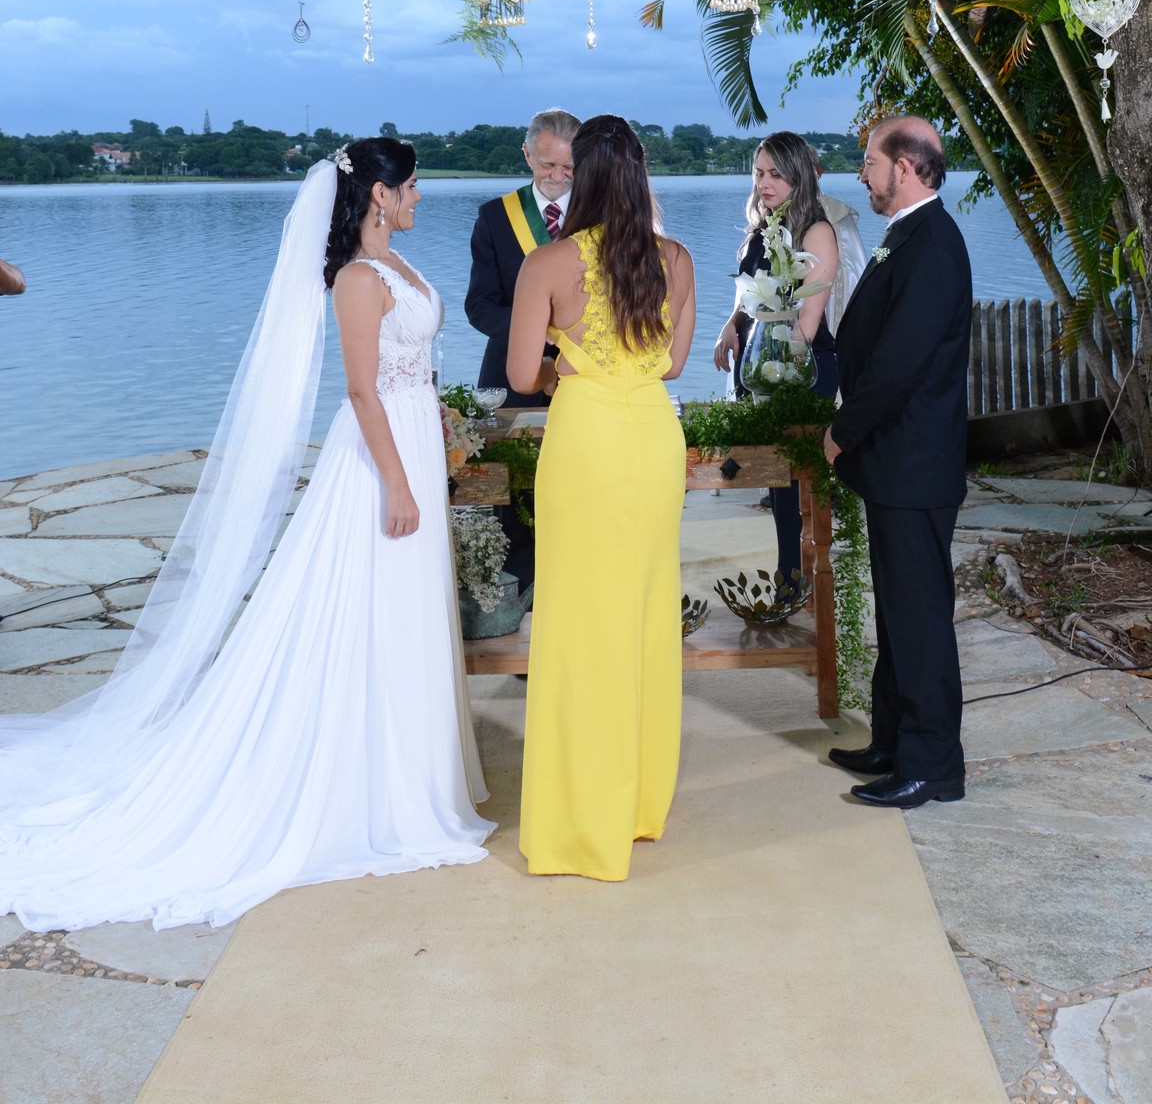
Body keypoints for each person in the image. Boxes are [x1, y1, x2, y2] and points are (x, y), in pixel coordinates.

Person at [0, 140, 494, 931]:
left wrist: (437, 417)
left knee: (406, 617)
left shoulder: (402, 269)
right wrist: (400, 483)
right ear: (377, 195)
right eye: (410, 186)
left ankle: (409, 772)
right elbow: (364, 393)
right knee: (369, 612)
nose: (419, 197)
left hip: (415, 441)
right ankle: (370, 785)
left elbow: (411, 373)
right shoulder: (358, 280)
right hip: (376, 465)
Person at [508, 116, 696, 881]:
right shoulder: (676, 258)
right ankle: (639, 805)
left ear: (579, 176)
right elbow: (676, 365)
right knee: (645, 615)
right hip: (652, 437)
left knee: (581, 623)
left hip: (586, 441)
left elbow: (524, 375)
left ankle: (583, 823)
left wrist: (571, 364)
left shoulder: (549, 264)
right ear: (640, 174)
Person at [824, 116, 972, 811]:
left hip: (913, 465)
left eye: (869, 161)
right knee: (898, 616)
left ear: (905, 167)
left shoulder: (933, 244)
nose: (861, 174)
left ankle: (934, 765)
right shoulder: (907, 236)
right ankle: (893, 740)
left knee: (919, 620)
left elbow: (899, 366)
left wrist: (842, 432)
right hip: (899, 463)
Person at [713, 132, 840, 595]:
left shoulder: (816, 232)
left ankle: (798, 581)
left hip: (800, 371)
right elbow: (749, 294)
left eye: (775, 174)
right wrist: (731, 324)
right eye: (758, 173)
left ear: (797, 177)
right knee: (776, 485)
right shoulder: (759, 229)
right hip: (759, 368)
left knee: (793, 486)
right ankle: (791, 577)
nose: (764, 183)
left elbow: (808, 322)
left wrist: (777, 371)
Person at [465, 108, 580, 591]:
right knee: (509, 502)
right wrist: (539, 333)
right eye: (547, 165)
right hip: (510, 376)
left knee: (574, 496)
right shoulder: (496, 217)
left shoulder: (600, 217)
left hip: (581, 376)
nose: (556, 177)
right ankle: (517, 611)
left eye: (569, 168)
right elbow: (480, 306)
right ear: (527, 155)